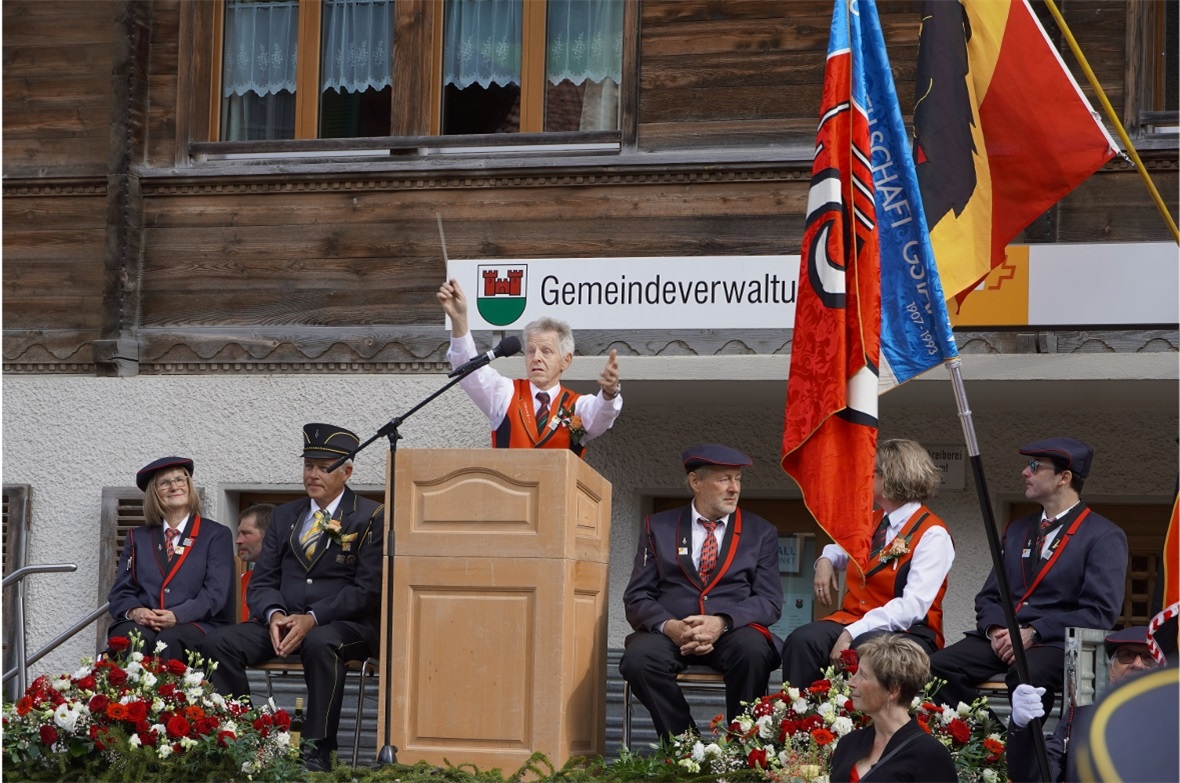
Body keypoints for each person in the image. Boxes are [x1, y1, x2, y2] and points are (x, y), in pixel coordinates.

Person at [201, 424, 384, 772]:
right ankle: (243, 741)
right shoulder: (286, 515)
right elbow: (263, 581)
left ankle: (318, 751)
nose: (313, 474)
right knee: (218, 643)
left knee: (320, 643)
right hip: (284, 622)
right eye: (308, 465)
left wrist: (313, 617)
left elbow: (368, 590)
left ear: (347, 471)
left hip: (343, 626)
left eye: (323, 466)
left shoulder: (370, 516)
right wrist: (273, 613)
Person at [929, 437, 1128, 718]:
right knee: (936, 667)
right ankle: (991, 743)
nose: (1025, 472)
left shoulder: (1104, 535)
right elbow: (989, 596)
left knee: (1027, 675)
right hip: (1004, 637)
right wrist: (997, 629)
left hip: (1053, 642)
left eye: (1035, 466)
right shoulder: (1017, 530)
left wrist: (1034, 632)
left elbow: (1100, 613)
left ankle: (1027, 756)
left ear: (1064, 477)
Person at [619, 444, 783, 738]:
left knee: (753, 651)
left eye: (738, 479)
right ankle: (686, 746)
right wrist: (671, 626)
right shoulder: (658, 526)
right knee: (638, 659)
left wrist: (721, 622)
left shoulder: (761, 532)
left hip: (732, 633)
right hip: (672, 632)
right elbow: (637, 596)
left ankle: (742, 750)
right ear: (696, 482)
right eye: (724, 479)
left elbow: (769, 601)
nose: (734, 488)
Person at [782, 439, 954, 688]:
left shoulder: (932, 534)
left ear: (891, 477)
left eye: (870, 472)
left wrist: (852, 632)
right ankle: (800, 718)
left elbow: (912, 607)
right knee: (803, 640)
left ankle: (855, 722)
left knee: (866, 647)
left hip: (908, 631)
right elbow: (840, 548)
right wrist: (825, 560)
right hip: (853, 619)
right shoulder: (871, 519)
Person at [437, 278, 621, 456]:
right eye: (531, 351)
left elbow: (599, 417)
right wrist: (459, 319)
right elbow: (469, 372)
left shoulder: (577, 405)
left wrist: (609, 393)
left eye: (546, 351)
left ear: (566, 360)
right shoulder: (506, 393)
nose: (536, 358)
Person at [108, 456, 235, 664]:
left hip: (197, 622)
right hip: (145, 623)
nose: (174, 486)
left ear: (189, 486)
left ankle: (171, 698)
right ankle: (128, 697)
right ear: (154, 493)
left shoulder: (215, 534)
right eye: (165, 483)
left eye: (180, 480)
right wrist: (136, 611)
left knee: (171, 639)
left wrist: (177, 615)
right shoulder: (137, 537)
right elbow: (121, 591)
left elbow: (215, 594)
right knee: (132, 637)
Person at [1006, 626, 1164, 782]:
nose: (1136, 664)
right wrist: (1022, 726)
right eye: (1126, 655)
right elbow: (1039, 777)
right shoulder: (1077, 719)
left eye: (1149, 658)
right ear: (1111, 670)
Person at [829, 634, 958, 782]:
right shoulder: (849, 743)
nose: (851, 682)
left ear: (892, 690)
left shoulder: (930, 755)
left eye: (863, 675)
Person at [236, 503, 275, 621]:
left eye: (246, 533)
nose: (238, 540)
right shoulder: (241, 579)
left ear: (269, 536)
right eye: (239, 534)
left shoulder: (288, 580)